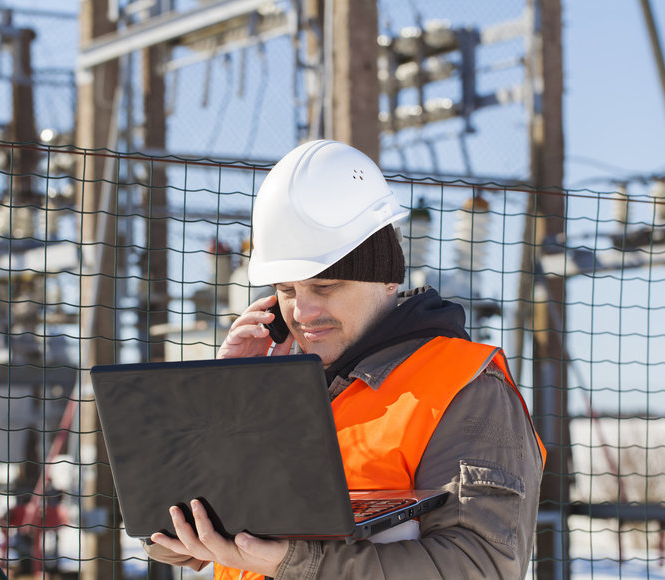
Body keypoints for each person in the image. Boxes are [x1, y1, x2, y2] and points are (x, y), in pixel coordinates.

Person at [144, 140, 545, 579]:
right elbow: (179, 536)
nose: (301, 312)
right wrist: (228, 392)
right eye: (288, 290)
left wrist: (295, 562)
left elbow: (479, 566)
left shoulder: (466, 388)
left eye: (326, 286)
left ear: (388, 278)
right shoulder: (282, 393)